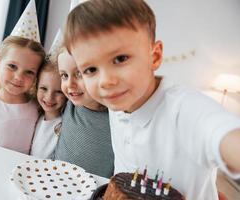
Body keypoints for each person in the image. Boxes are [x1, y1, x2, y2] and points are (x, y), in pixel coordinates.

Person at [63, 0, 240, 199]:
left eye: (120, 59)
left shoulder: (185, 109)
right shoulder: (118, 102)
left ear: (154, 56)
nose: (106, 81)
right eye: (91, 69)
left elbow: (223, 135)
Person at [52, 48, 114, 178]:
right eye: (64, 75)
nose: (70, 84)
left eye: (79, 74)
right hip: (55, 182)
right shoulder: (70, 104)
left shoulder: (116, 117)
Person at [30, 58, 67, 158]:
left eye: (59, 92)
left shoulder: (66, 124)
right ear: (36, 87)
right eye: (44, 88)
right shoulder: (35, 116)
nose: (49, 97)